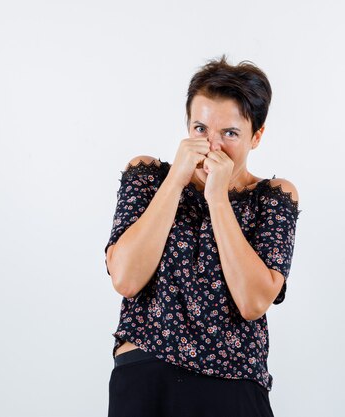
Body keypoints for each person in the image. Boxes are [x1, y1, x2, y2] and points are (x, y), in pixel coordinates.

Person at [104, 55, 301, 417]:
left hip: (233, 385)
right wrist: (176, 179)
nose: (211, 144)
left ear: (256, 137)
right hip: (147, 376)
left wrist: (217, 197)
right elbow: (126, 278)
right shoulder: (148, 176)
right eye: (200, 129)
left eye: (230, 133)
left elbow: (253, 302)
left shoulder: (272, 197)